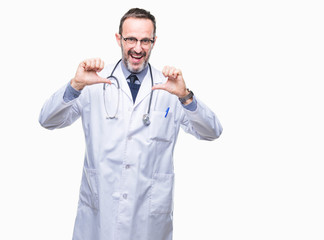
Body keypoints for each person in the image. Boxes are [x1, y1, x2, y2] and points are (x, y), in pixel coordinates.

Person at [39, 8, 222, 240]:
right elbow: (47, 120)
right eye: (131, 39)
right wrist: (75, 85)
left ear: (154, 42)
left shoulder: (171, 87)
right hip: (99, 218)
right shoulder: (93, 81)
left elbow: (212, 132)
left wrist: (185, 96)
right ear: (119, 39)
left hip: (148, 221)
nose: (138, 48)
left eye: (145, 40)